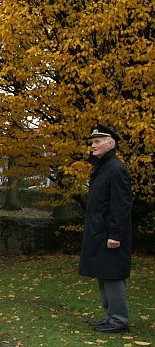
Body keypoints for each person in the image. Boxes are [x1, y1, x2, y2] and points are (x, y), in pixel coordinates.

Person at [79, 124, 133, 334]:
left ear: (111, 144)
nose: (93, 145)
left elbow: (121, 205)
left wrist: (115, 235)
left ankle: (119, 320)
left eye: (98, 141)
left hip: (110, 234)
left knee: (113, 275)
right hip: (100, 231)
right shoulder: (103, 167)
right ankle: (110, 316)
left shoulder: (116, 168)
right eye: (93, 142)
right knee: (104, 273)